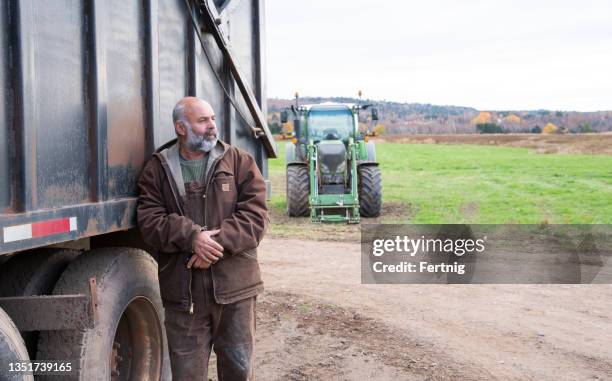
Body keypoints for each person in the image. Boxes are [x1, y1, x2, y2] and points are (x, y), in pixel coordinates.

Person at [136, 96, 268, 380]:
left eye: (212, 119)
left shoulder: (239, 162)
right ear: (180, 128)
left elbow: (257, 217)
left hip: (236, 291)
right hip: (184, 296)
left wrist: (213, 245)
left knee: (238, 371)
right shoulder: (158, 168)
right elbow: (149, 221)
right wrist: (192, 237)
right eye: (202, 120)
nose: (211, 126)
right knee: (186, 375)